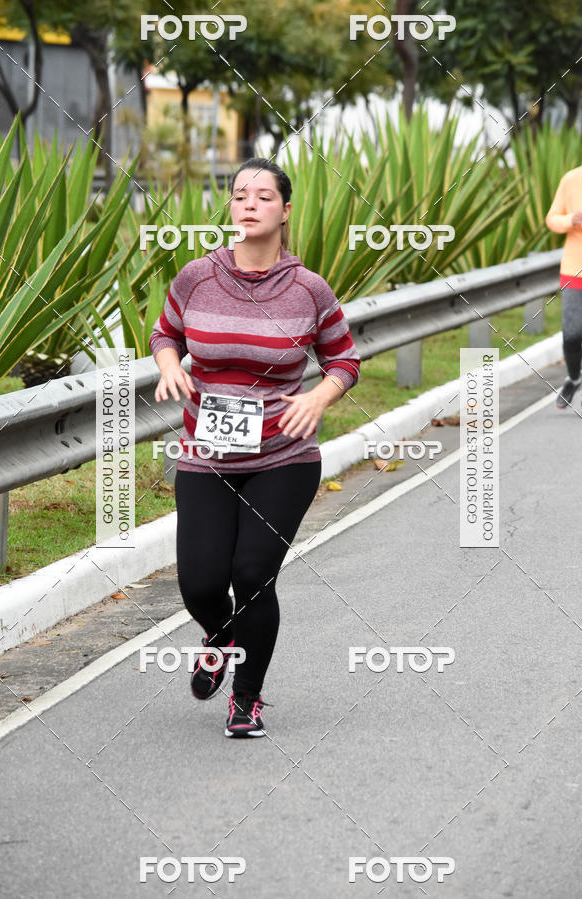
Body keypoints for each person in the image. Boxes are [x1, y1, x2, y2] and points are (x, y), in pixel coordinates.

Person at [149, 158, 361, 738]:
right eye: (240, 194)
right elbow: (165, 332)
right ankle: (220, 639)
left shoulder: (309, 289)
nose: (248, 203)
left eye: (263, 196)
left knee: (252, 573)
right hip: (205, 456)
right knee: (199, 583)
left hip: (283, 457)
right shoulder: (196, 276)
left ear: (285, 211)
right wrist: (170, 364)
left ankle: (247, 698)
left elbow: (343, 359)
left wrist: (319, 398)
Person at [546, 115, 582, 418]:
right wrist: (570, 220)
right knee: (572, 333)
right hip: (576, 267)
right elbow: (552, 218)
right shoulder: (571, 180)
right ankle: (574, 378)